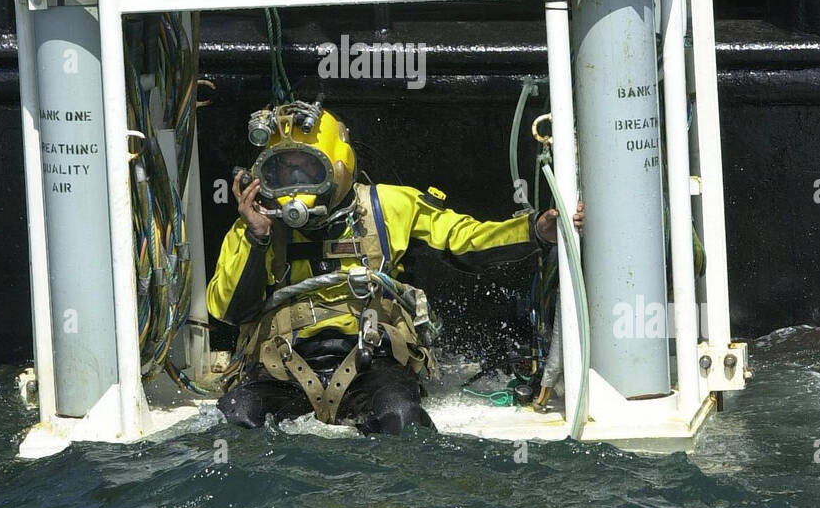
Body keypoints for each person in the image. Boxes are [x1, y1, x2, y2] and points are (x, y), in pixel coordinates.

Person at [207, 99, 582, 435]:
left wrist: (535, 231)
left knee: (401, 417)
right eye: (282, 173)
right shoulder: (254, 224)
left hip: (372, 360)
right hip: (281, 364)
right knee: (238, 415)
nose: (293, 185)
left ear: (338, 166)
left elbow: (463, 239)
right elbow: (229, 310)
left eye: (306, 170)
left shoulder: (389, 206)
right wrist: (257, 239)